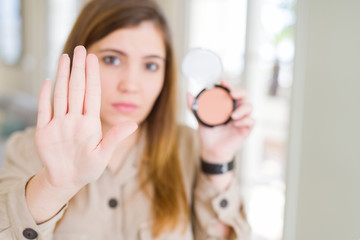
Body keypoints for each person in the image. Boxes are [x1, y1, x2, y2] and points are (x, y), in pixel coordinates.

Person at [0, 0, 254, 239]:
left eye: (151, 65)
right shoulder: (26, 149)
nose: (130, 84)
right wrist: (53, 187)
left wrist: (217, 161)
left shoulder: (189, 146)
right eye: (112, 59)